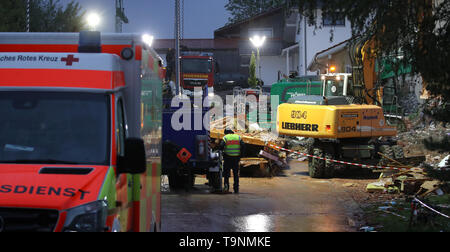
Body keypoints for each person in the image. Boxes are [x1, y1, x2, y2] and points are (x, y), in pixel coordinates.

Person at [219, 129, 245, 194]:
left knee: (226, 174)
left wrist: (222, 152)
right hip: (236, 159)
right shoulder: (238, 137)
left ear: (226, 133)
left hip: (227, 158)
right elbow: (243, 146)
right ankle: (236, 189)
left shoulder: (226, 137)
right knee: (236, 174)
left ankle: (226, 188)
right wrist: (241, 155)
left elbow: (221, 146)